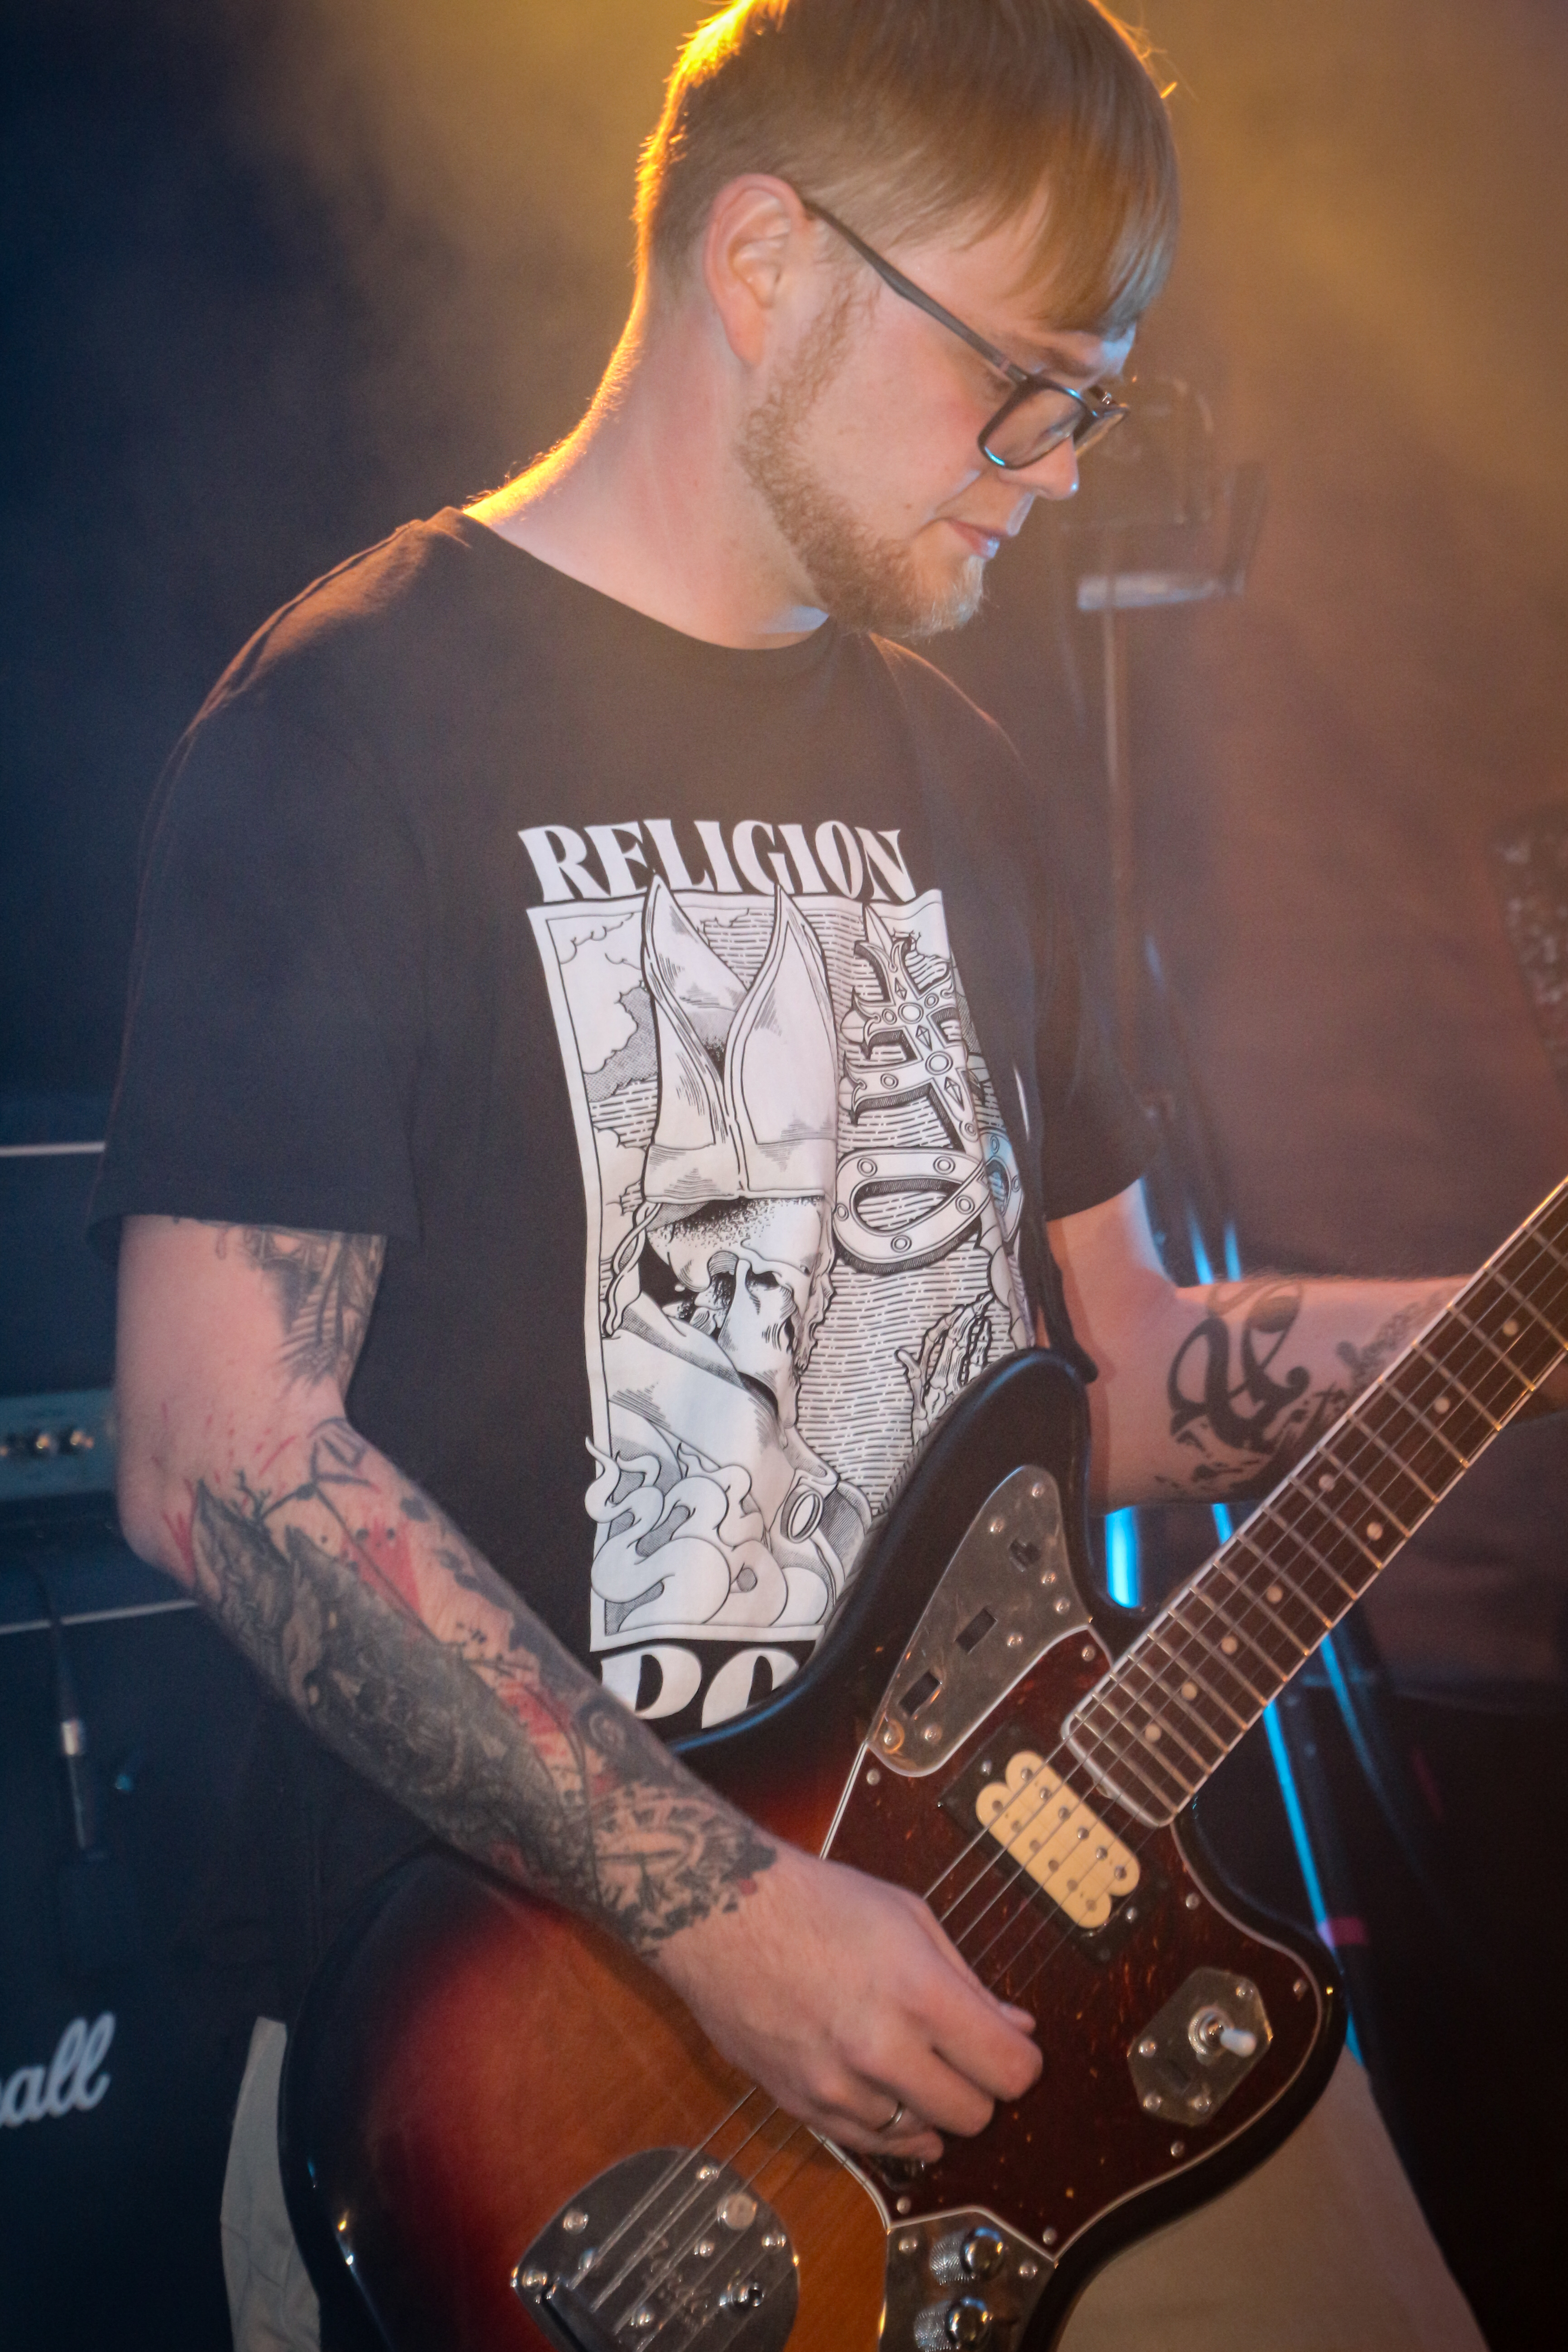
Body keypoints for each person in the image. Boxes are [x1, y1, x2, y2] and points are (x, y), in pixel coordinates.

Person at [93, 3, 1492, 2345]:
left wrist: (1510, 1331)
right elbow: (218, 1455)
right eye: (1023, 386)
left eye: (1097, 405)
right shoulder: (348, 727)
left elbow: (1127, 1374)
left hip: (1010, 1962)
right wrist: (724, 1917)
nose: (1059, 471)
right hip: (535, 2089)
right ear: (767, 264)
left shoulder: (979, 776)